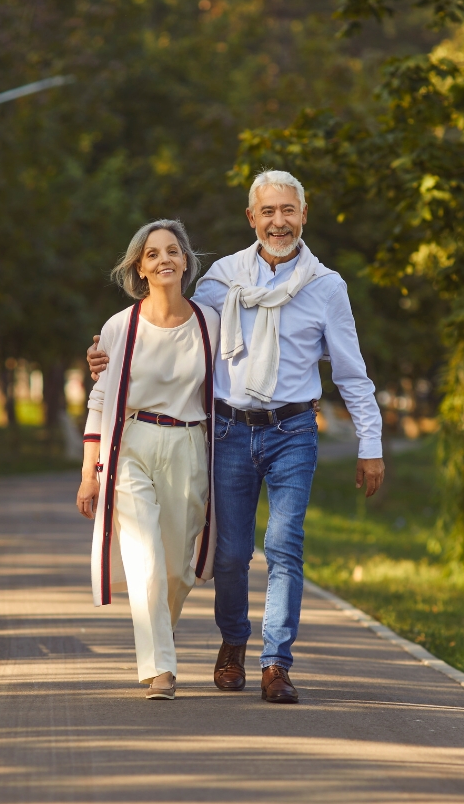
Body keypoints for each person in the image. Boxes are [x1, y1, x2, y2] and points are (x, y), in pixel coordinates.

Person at [88, 171, 384, 704]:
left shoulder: (327, 287)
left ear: (303, 214)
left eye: (287, 211)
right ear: (252, 218)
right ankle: (232, 643)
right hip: (228, 429)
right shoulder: (223, 279)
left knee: (284, 546)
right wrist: (107, 357)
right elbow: (178, 333)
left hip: (294, 429)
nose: (278, 222)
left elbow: (351, 372)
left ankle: (276, 663)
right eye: (267, 211)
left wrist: (371, 445)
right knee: (229, 554)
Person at [76, 219, 220, 700]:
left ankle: (159, 637)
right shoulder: (121, 326)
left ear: (185, 261)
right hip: (132, 445)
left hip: (189, 445)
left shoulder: (209, 323)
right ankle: (160, 669)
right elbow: (100, 401)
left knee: (179, 568)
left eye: (172, 251)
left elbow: (235, 381)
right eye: (153, 254)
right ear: (140, 266)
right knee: (145, 559)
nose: (164, 260)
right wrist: (89, 475)